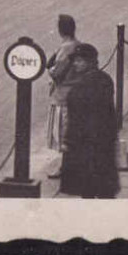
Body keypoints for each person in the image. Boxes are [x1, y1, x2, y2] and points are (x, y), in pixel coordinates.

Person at [58, 42, 120, 199]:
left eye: (80, 61)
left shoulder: (79, 88)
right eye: (75, 61)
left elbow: (75, 121)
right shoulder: (106, 80)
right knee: (105, 189)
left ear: (90, 62)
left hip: (85, 145)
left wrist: (67, 142)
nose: (75, 64)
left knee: (87, 189)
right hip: (104, 142)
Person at [45, 14, 82, 155]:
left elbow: (56, 71)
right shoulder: (77, 43)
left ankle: (63, 162)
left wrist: (50, 70)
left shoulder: (66, 47)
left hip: (63, 93)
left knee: (62, 129)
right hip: (74, 90)